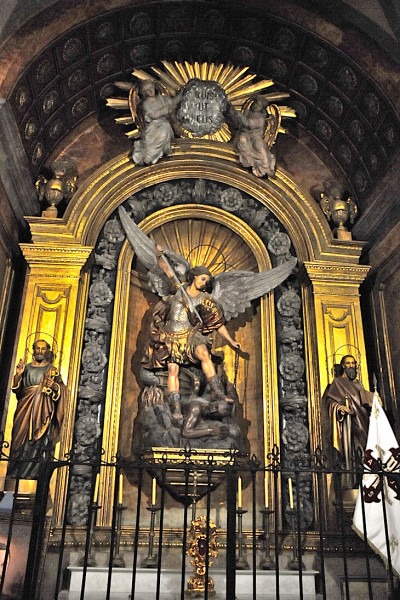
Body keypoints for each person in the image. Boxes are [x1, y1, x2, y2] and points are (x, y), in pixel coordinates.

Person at [142, 245, 241, 422]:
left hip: (190, 335)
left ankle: (218, 393)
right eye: (202, 279)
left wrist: (230, 340)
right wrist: (159, 255)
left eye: (206, 281)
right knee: (173, 370)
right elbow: (166, 268)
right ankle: (176, 408)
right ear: (194, 277)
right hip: (171, 335)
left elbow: (217, 323)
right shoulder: (178, 287)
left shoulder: (205, 299)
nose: (204, 283)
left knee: (203, 353)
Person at [8, 339, 68, 479]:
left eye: (43, 349)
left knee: (39, 440)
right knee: (18, 439)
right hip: (25, 407)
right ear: (33, 350)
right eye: (38, 348)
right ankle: (15, 472)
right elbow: (16, 390)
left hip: (43, 409)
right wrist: (18, 375)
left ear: (47, 351)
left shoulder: (52, 370)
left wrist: (55, 386)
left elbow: (62, 390)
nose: (40, 351)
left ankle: (34, 474)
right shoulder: (26, 368)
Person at [325, 354, 376, 487]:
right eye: (348, 363)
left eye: (353, 363)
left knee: (365, 451)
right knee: (353, 452)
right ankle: (353, 482)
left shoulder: (358, 383)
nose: (351, 366)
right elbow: (330, 401)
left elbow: (363, 400)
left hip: (363, 420)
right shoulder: (338, 382)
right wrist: (339, 407)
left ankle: (368, 481)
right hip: (349, 423)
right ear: (343, 366)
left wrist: (374, 402)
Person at [132, 79, 176, 166]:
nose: (150, 91)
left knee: (166, 127)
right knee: (165, 128)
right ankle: (149, 155)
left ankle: (150, 155)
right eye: (147, 90)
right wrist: (165, 110)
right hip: (154, 125)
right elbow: (153, 115)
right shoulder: (146, 103)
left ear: (154, 87)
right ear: (144, 93)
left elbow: (173, 103)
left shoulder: (162, 98)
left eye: (151, 88)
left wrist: (182, 94)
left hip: (163, 123)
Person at [233, 96, 276, 178]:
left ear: (262, 107)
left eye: (259, 105)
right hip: (246, 134)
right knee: (242, 140)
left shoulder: (261, 117)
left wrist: (241, 118)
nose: (256, 106)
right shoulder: (248, 113)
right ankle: (248, 159)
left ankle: (265, 166)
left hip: (256, 135)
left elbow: (250, 124)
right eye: (256, 104)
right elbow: (241, 125)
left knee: (259, 146)